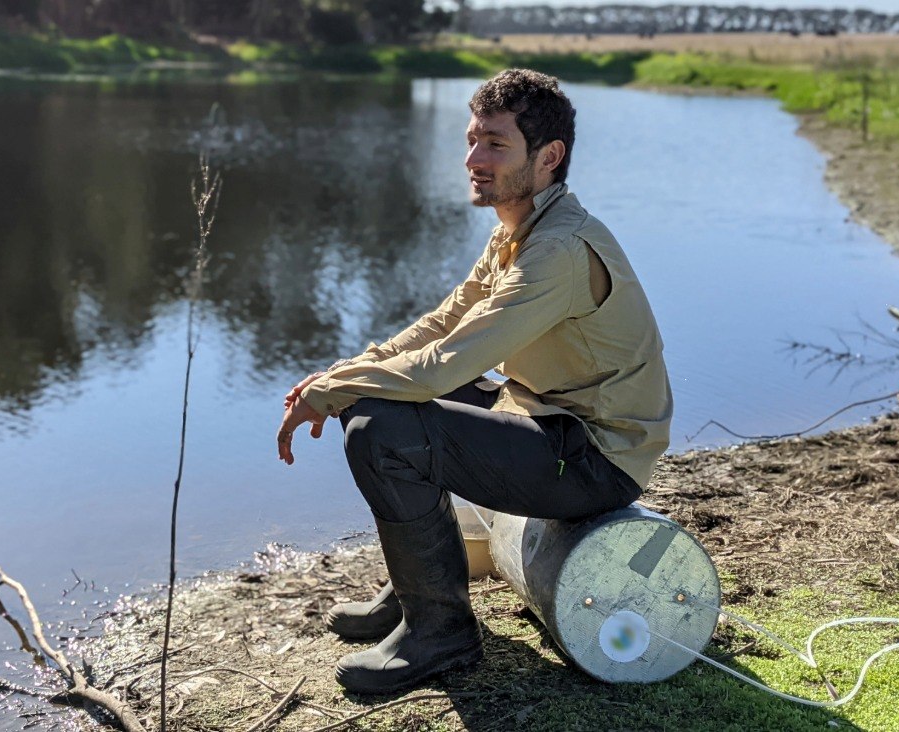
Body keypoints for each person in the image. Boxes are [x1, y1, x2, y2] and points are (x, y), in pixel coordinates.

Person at [276, 69, 673, 695]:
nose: (473, 159)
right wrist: (341, 374)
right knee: (385, 398)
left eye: (494, 144)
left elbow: (445, 364)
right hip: (548, 422)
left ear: (549, 157)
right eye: (471, 140)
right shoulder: (518, 233)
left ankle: (442, 635)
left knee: (381, 429)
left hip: (595, 460)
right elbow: (440, 326)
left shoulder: (559, 251)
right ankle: (417, 595)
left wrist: (339, 392)